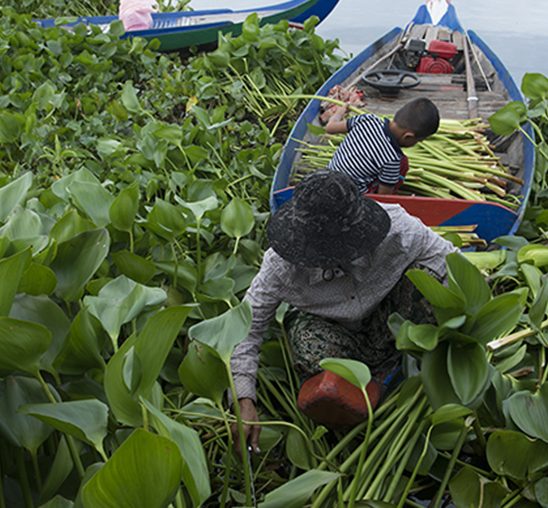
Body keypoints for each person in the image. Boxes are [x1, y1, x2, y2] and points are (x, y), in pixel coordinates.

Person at [230, 171, 457, 451]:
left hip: (391, 325)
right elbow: (246, 329)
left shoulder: (398, 229)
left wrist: (469, 329)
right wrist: (244, 400)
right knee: (308, 346)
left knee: (429, 280)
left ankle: (403, 364)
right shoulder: (280, 266)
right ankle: (361, 388)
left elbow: (452, 264)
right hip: (332, 333)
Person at [325, 97, 440, 195]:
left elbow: (330, 128)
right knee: (403, 164)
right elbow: (383, 198)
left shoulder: (367, 119)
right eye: (418, 141)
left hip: (326, 178)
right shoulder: (392, 160)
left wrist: (340, 112)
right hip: (349, 198)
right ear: (408, 137)